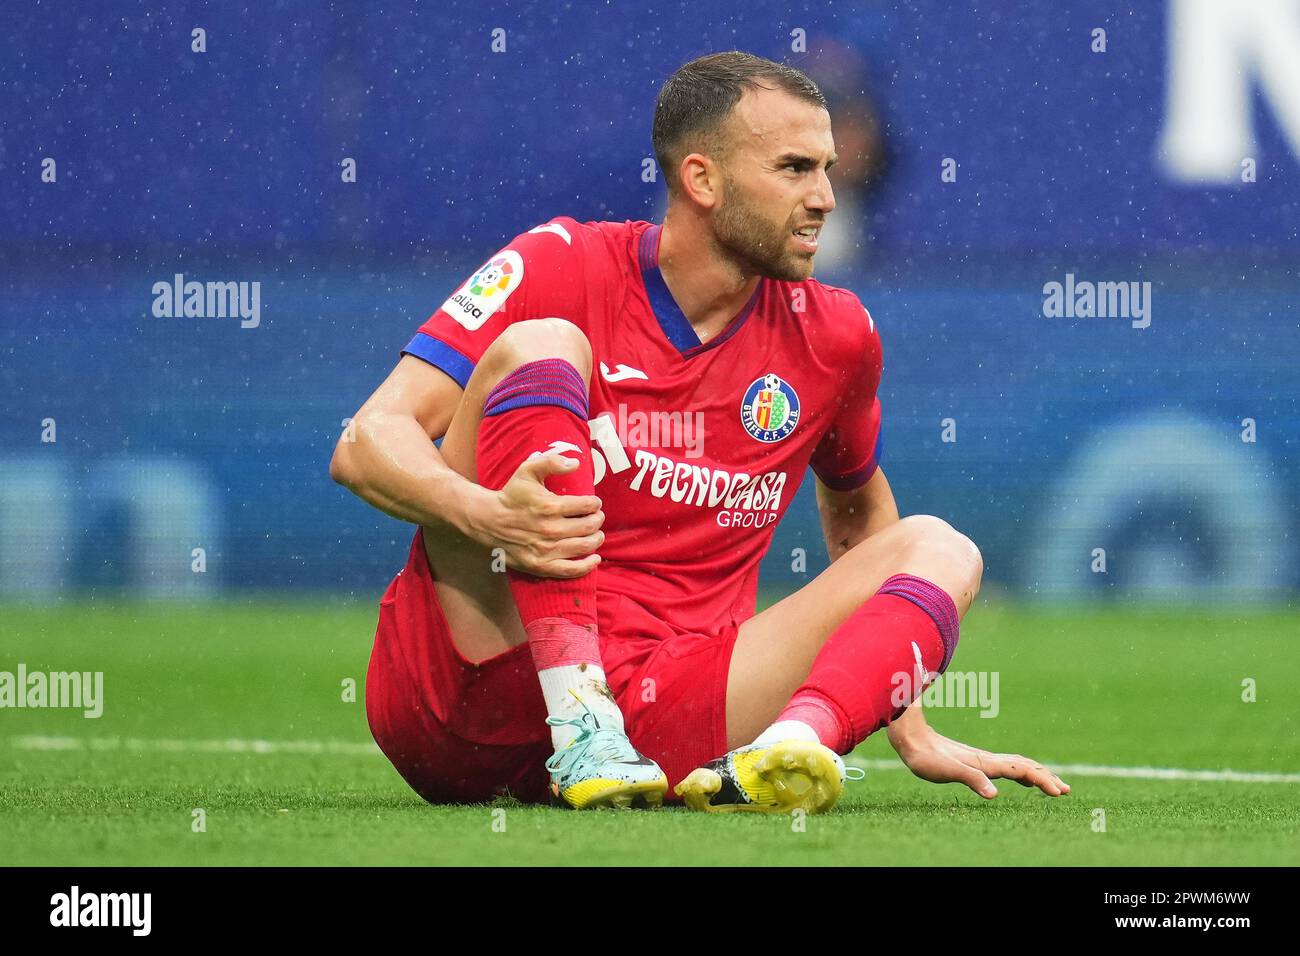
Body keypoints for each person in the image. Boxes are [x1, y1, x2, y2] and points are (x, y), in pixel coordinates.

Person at [331, 50, 1070, 813]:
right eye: (793, 168)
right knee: (541, 344)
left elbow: (863, 527)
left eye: (827, 168)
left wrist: (900, 716)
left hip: (667, 718)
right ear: (702, 180)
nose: (824, 196)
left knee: (941, 546)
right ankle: (580, 721)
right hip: (469, 693)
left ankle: (793, 745)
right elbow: (364, 443)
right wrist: (485, 515)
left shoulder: (839, 337)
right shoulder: (562, 263)